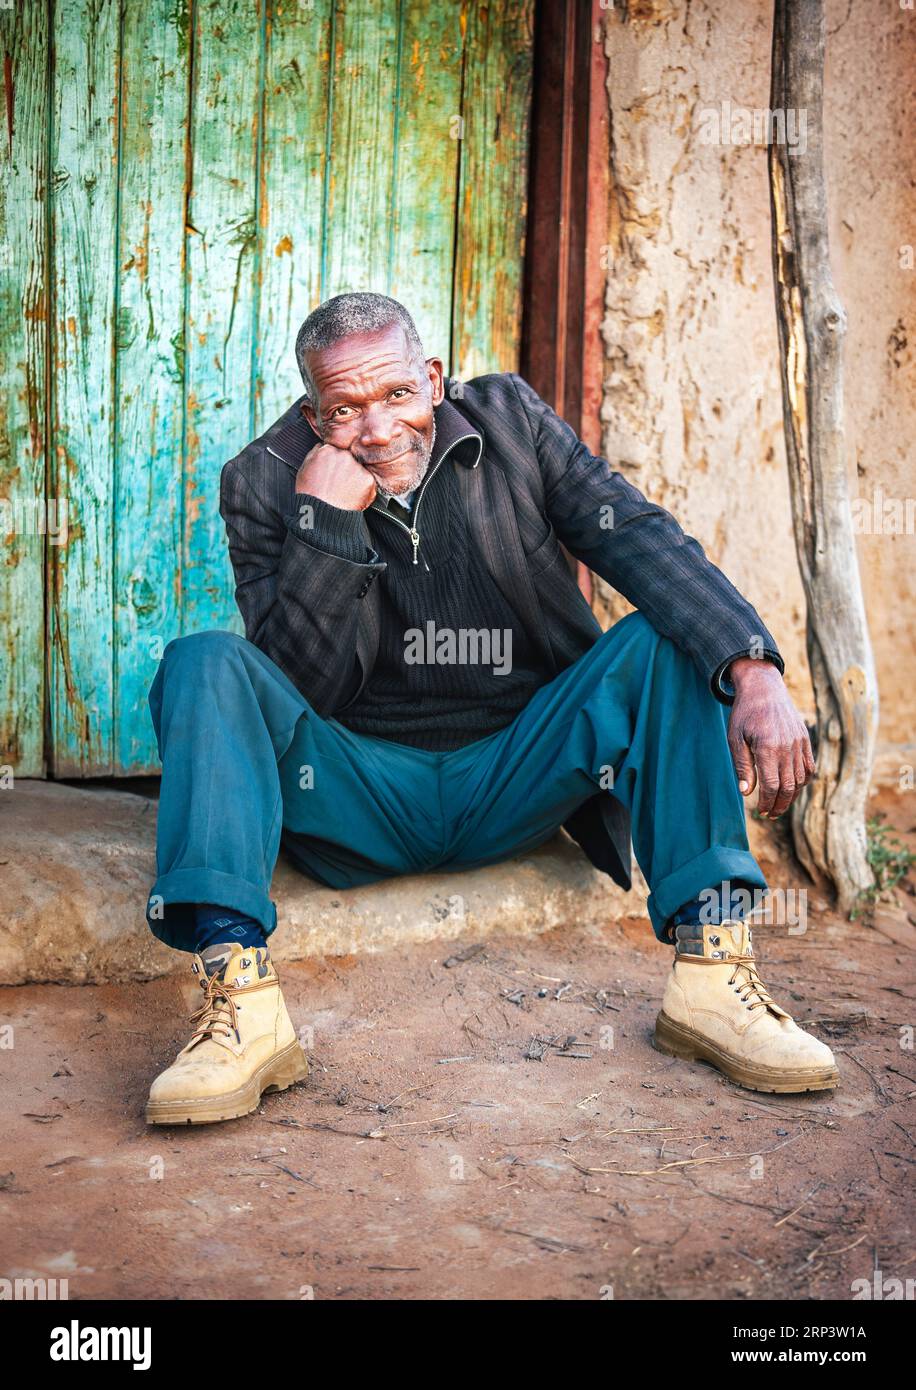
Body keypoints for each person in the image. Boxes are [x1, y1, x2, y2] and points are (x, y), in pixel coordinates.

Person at [144, 292, 837, 1126]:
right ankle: (242, 1011)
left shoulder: (511, 422)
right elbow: (300, 685)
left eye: (397, 394)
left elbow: (637, 537)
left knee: (665, 641)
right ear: (311, 410)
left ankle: (714, 981)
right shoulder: (262, 480)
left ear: (432, 379)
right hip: (359, 793)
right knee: (203, 661)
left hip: (521, 769)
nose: (376, 429)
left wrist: (752, 667)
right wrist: (325, 524)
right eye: (344, 410)